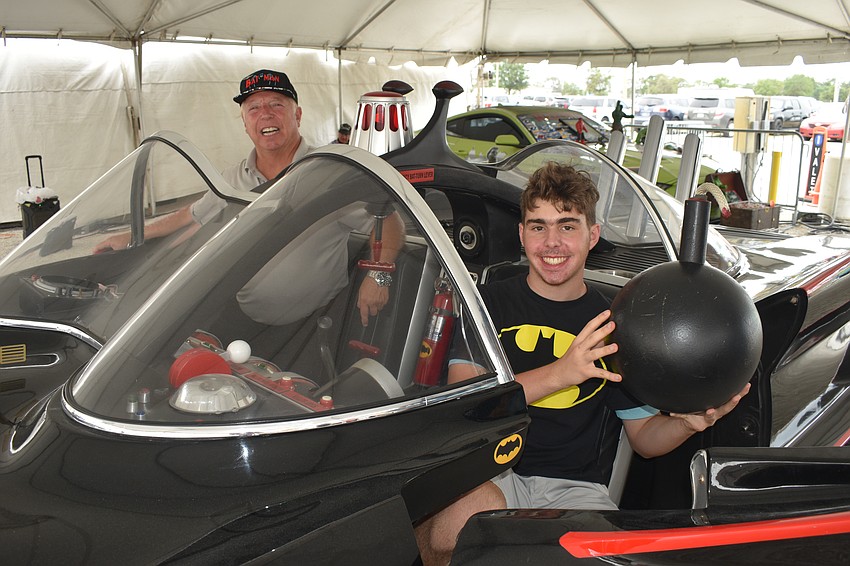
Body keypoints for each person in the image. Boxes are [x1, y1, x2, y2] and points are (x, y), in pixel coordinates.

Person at [415, 161, 749, 566]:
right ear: (522, 234)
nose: (551, 242)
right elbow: (468, 407)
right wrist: (562, 373)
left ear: (593, 235)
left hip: (574, 489)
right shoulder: (488, 303)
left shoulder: (618, 324)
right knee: (451, 526)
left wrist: (687, 423)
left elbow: (644, 438)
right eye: (538, 226)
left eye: (567, 226)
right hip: (491, 472)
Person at [94, 69, 402, 327]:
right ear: (244, 124)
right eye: (253, 108)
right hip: (241, 319)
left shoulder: (330, 175)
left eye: (276, 104)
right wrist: (131, 235)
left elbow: (390, 222)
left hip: (316, 325)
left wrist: (379, 275)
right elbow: (192, 215)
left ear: (297, 114)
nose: (265, 114)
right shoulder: (232, 178)